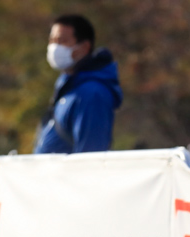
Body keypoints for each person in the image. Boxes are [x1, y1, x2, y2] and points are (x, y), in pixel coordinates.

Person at [33, 14, 123, 154]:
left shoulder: (91, 93)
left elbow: (90, 157)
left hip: (66, 176)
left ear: (85, 47)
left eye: (62, 41)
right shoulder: (69, 87)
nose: (54, 47)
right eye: (52, 40)